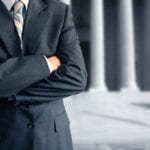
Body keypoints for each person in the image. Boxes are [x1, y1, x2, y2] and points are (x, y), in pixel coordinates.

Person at [0, 0, 87, 149]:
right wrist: (45, 65)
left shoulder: (59, 11)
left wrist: (10, 92)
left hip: (52, 138)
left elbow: (76, 77)